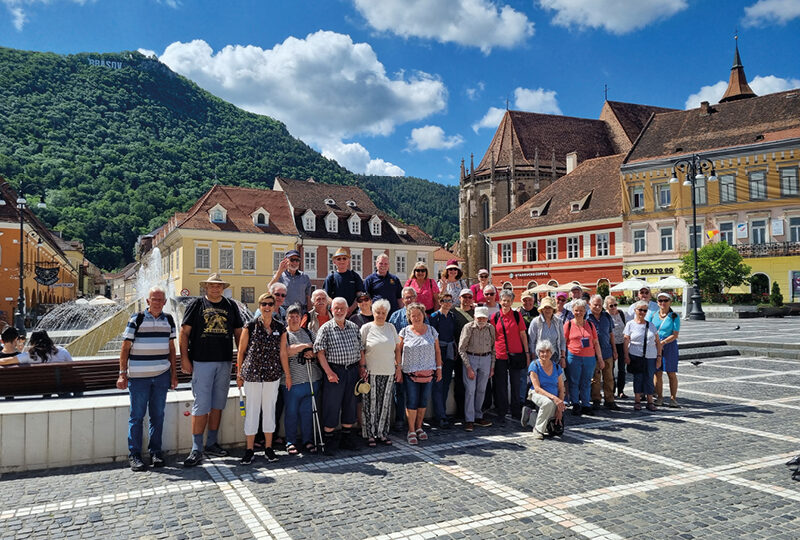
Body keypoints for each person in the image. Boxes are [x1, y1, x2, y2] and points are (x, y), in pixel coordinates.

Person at [180, 273, 244, 467]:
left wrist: (241, 362)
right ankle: (196, 448)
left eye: (218, 286)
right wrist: (184, 358)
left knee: (218, 404)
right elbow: (184, 333)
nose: (215, 289)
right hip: (201, 361)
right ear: (206, 287)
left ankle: (212, 443)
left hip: (224, 361)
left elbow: (239, 336)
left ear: (223, 287)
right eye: (211, 286)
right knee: (201, 405)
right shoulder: (196, 305)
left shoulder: (231, 306)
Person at [116, 286, 178, 471]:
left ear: (165, 302)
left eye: (161, 300)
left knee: (158, 416)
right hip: (139, 378)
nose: (157, 302)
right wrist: (122, 374)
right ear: (147, 301)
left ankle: (156, 452)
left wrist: (174, 374)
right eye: (154, 299)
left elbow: (172, 348)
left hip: (161, 376)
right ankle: (134, 455)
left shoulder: (169, 319)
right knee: (136, 416)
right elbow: (125, 348)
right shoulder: (137, 319)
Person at [237, 292, 288, 465]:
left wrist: (287, 375)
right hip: (252, 374)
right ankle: (249, 449)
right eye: (264, 304)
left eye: (270, 304)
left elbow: (283, 353)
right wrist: (239, 374)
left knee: (269, 411)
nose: (267, 307)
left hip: (272, 375)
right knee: (252, 411)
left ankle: (268, 447)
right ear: (259, 307)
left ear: (274, 307)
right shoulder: (250, 326)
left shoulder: (280, 327)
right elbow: (241, 351)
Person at [314, 297, 364, 452]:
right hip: (335, 371)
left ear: (348, 309)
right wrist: (329, 372)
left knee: (350, 404)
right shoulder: (326, 328)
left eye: (342, 308)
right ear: (331, 310)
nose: (340, 311)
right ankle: (329, 440)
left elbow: (361, 349)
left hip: (353, 371)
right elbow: (320, 353)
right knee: (331, 405)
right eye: (336, 308)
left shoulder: (354, 327)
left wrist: (362, 368)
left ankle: (347, 438)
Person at [282, 303, 323, 456]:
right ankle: (291, 441)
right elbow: (286, 351)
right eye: (291, 317)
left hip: (311, 379)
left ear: (301, 318)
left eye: (296, 317)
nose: (294, 319)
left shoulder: (308, 332)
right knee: (291, 412)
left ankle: (308, 440)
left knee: (308, 412)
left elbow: (317, 347)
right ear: (286, 319)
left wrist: (311, 353)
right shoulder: (284, 335)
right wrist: (305, 346)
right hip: (292, 381)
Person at [398, 303, 442, 444]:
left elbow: (437, 351)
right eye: (413, 315)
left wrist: (439, 368)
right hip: (410, 373)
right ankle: (411, 430)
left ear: (424, 315)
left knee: (423, 401)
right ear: (409, 317)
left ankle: (419, 427)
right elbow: (398, 351)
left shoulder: (431, 330)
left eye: (419, 314)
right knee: (411, 401)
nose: (416, 317)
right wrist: (397, 368)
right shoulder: (404, 332)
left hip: (428, 372)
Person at [359, 299, 400, 446]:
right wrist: (362, 367)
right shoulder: (366, 327)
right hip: (371, 371)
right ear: (373, 312)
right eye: (378, 312)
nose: (381, 315)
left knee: (385, 404)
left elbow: (397, 349)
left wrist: (398, 367)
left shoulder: (391, 328)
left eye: (383, 313)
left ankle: (382, 432)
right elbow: (361, 349)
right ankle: (370, 433)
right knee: (370, 404)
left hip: (388, 371)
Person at [491, 289, 530, 423]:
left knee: (516, 383)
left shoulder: (517, 316)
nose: (506, 303)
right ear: (500, 301)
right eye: (504, 300)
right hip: (500, 354)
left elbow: (523, 335)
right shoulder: (495, 317)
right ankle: (501, 411)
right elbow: (492, 337)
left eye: (508, 301)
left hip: (516, 354)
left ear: (512, 302)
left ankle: (516, 410)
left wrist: (527, 353)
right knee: (501, 385)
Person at [458, 306, 495, 432]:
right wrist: (468, 367)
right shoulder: (468, 328)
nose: (481, 320)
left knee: (481, 390)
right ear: (474, 317)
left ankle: (478, 416)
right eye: (479, 317)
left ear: (487, 318)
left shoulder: (490, 328)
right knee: (470, 390)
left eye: (483, 318)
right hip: (471, 358)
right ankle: (469, 419)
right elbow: (461, 348)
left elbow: (493, 347)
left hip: (486, 359)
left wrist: (492, 366)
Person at [564, 299, 604, 416]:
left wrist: (600, 359)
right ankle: (575, 404)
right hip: (574, 356)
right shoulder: (569, 324)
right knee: (574, 382)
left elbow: (596, 343)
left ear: (585, 311)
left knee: (586, 382)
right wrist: (563, 357)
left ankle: (586, 404)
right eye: (576, 310)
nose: (578, 313)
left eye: (581, 310)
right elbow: (563, 342)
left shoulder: (590, 325)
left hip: (589, 358)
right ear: (573, 311)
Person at [388, 286, 418, 431]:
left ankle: (415, 420)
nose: (409, 300)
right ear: (403, 299)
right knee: (399, 391)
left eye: (412, 297)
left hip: (416, 361)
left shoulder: (421, 315)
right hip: (399, 359)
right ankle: (399, 419)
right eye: (407, 297)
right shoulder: (395, 316)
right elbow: (390, 337)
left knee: (415, 391)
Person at [524, 340, 566, 439]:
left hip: (554, 397)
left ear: (551, 353)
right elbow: (537, 388)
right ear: (538, 353)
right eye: (542, 351)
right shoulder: (534, 365)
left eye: (547, 351)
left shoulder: (556, 367)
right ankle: (538, 429)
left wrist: (560, 409)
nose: (545, 354)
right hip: (536, 393)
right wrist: (554, 399)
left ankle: (531, 416)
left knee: (553, 424)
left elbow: (561, 388)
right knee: (548, 404)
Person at [624, 300, 662, 411]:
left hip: (650, 356)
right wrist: (626, 355)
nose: (642, 312)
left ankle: (650, 401)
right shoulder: (630, 324)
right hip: (635, 355)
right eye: (640, 310)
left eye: (644, 310)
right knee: (638, 378)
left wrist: (659, 356)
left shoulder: (651, 325)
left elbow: (658, 342)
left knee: (649, 378)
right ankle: (637, 401)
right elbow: (626, 341)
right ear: (635, 310)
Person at [648, 292, 681, 408]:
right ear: (657, 302)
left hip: (669, 345)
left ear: (670, 302)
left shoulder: (674, 316)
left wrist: (663, 342)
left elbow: (675, 334)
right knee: (657, 373)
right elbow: (647, 328)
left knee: (671, 373)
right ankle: (660, 397)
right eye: (660, 300)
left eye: (665, 300)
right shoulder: (652, 315)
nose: (663, 303)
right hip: (655, 345)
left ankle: (673, 398)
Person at [429, 292, 457, 429]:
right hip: (439, 351)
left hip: (450, 352)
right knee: (438, 385)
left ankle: (443, 413)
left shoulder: (452, 316)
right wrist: (437, 356)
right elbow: (431, 338)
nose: (447, 303)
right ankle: (439, 415)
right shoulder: (434, 317)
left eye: (449, 300)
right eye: (445, 300)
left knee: (446, 384)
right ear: (440, 302)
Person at [588, 295, 620, 411]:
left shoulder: (606, 317)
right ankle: (596, 399)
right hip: (593, 354)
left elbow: (611, 335)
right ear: (590, 305)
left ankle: (609, 400)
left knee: (609, 378)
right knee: (595, 378)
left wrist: (615, 350)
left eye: (600, 305)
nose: (597, 307)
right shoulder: (587, 318)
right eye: (595, 305)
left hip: (607, 352)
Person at [450, 288, 474, 421]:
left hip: (474, 353)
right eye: (464, 297)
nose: (467, 300)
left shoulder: (476, 312)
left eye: (469, 297)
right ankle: (460, 412)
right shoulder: (453, 313)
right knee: (459, 383)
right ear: (459, 298)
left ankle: (474, 412)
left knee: (474, 385)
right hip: (459, 353)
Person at [323, 247, 364, 316]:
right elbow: (326, 297)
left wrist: (350, 309)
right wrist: (338, 308)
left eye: (344, 258)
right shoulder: (330, 278)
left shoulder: (354, 276)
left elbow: (360, 295)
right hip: (336, 314)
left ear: (348, 261)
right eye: (339, 259)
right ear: (334, 262)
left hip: (353, 314)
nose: (342, 261)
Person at [268, 249, 312, 313]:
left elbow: (308, 297)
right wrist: (279, 271)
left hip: (301, 312)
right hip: (285, 311)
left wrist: (309, 314)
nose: (295, 263)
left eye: (297, 260)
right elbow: (270, 288)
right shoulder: (280, 275)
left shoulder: (305, 277)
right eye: (292, 260)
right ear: (286, 260)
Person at [605, 295, 628, 399]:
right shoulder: (605, 316)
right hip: (610, 345)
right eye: (611, 305)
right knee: (611, 368)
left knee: (622, 369)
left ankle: (621, 390)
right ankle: (612, 391)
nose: (614, 307)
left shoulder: (621, 313)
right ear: (606, 307)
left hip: (622, 344)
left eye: (615, 305)